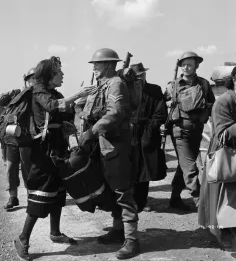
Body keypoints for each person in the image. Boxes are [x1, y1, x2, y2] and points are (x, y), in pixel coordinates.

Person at [13, 56, 96, 261]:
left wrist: (67, 123)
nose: (63, 75)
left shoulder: (55, 92)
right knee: (41, 194)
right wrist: (78, 94)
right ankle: (22, 239)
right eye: (59, 72)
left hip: (57, 149)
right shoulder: (38, 91)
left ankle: (55, 232)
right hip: (42, 152)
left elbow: (61, 114)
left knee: (58, 193)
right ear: (50, 75)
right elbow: (51, 106)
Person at [76, 48, 140, 260]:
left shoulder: (116, 84)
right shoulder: (101, 85)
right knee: (111, 190)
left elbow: (116, 112)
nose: (94, 67)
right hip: (103, 144)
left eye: (98, 63)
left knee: (122, 190)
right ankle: (118, 229)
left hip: (114, 145)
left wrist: (91, 131)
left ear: (110, 65)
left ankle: (131, 240)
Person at [164, 51, 215, 211]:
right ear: (180, 66)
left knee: (184, 165)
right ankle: (203, 206)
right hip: (180, 132)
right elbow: (160, 106)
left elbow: (212, 105)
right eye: (184, 64)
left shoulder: (204, 84)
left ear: (196, 66)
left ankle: (174, 199)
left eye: (190, 64)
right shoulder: (172, 86)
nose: (186, 67)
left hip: (197, 131)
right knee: (190, 169)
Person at [198, 68, 236, 250]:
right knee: (227, 204)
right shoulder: (224, 102)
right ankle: (227, 236)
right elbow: (222, 136)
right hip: (228, 159)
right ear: (234, 80)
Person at [128, 63, 167, 213]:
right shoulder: (126, 90)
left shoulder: (155, 90)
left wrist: (150, 130)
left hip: (147, 133)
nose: (140, 78)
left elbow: (160, 113)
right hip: (130, 134)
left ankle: (142, 202)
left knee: (145, 170)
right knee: (130, 169)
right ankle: (130, 201)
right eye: (136, 76)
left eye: (142, 75)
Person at [0, 67, 36, 210]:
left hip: (27, 139)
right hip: (12, 138)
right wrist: (11, 93)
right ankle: (13, 198)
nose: (34, 81)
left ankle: (31, 198)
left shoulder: (38, 95)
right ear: (27, 80)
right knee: (11, 169)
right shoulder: (18, 95)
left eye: (36, 78)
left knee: (28, 170)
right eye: (32, 78)